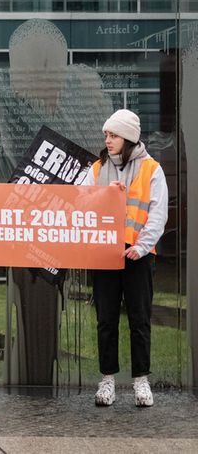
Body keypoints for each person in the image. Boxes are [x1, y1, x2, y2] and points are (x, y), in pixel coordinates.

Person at [83, 109, 167, 407]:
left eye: (114, 135)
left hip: (137, 256)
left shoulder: (151, 169)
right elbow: (80, 203)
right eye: (106, 135)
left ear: (128, 138)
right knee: (105, 320)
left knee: (139, 319)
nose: (108, 140)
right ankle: (107, 380)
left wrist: (141, 247)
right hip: (105, 254)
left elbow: (158, 213)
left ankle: (141, 381)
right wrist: (104, 194)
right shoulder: (97, 169)